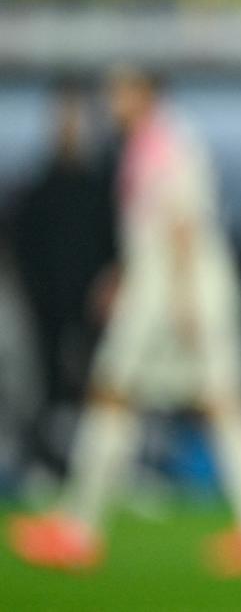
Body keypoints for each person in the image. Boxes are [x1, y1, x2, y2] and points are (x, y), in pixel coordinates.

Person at [8, 68, 241, 576]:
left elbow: (184, 223)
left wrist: (182, 302)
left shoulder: (168, 140)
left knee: (120, 396)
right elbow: (153, 225)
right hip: (169, 290)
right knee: (216, 406)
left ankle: (78, 530)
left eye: (121, 89)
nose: (111, 98)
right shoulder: (150, 141)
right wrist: (123, 275)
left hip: (172, 297)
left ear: (145, 93)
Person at [11, 78, 118, 480]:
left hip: (95, 309)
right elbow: (24, 249)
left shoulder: (101, 188)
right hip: (47, 308)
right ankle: (47, 465)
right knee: (47, 388)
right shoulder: (37, 189)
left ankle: (103, 471)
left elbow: (115, 248)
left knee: (103, 389)